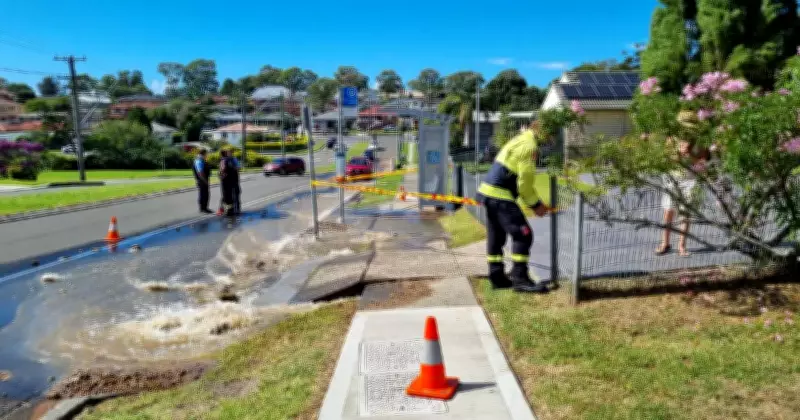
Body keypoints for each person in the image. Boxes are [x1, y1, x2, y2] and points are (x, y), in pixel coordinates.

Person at [477, 121, 553, 293]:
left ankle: (497, 277)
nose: (551, 140)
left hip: (488, 192)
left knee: (496, 237)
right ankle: (520, 279)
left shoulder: (519, 139)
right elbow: (524, 184)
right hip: (500, 195)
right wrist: (536, 205)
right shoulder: (529, 146)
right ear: (543, 132)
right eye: (551, 135)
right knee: (523, 234)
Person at [656, 138, 710, 257]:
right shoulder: (672, 138)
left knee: (685, 214)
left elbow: (703, 161)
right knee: (668, 211)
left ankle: (682, 246)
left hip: (690, 180)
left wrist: (690, 154)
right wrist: (678, 154)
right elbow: (665, 158)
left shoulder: (699, 141)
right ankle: (665, 243)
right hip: (673, 179)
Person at [218, 150, 240, 217]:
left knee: (226, 197)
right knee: (230, 197)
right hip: (231, 181)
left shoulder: (223, 160)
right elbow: (235, 169)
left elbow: (223, 169)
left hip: (225, 182)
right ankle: (231, 211)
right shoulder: (231, 160)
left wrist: (221, 175)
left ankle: (227, 211)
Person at [192, 149, 213, 214]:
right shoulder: (199, 161)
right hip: (202, 180)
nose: (207, 155)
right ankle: (203, 208)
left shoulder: (201, 160)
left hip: (203, 179)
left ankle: (204, 208)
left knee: (204, 194)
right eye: (206, 154)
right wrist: (205, 181)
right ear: (203, 153)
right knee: (204, 194)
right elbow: (200, 172)